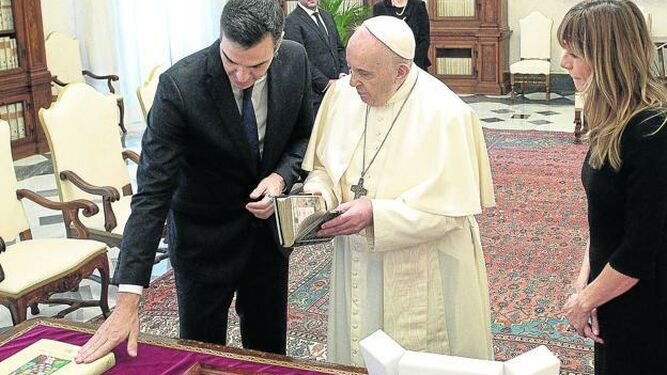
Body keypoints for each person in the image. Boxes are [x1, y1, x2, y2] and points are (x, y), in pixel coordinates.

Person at [75, 0, 313, 363]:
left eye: (256, 66)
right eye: (231, 62)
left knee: (268, 356)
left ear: (277, 45)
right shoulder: (180, 87)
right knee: (200, 356)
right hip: (203, 243)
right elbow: (153, 194)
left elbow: (303, 138)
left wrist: (281, 177)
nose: (242, 76)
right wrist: (128, 297)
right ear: (220, 38)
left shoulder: (295, 60)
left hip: (266, 241)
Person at [302, 15, 495, 365]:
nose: (353, 82)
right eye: (351, 68)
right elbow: (322, 169)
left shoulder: (446, 114)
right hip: (355, 258)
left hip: (419, 270)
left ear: (401, 72)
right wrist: (320, 197)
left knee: (415, 359)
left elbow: (449, 215)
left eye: (366, 74)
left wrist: (375, 213)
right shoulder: (343, 97)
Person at [559, 1, 667, 374]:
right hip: (612, 289)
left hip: (644, 302)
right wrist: (587, 277)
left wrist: (584, 300)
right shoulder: (611, 119)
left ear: (606, 58)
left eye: (574, 53)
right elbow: (606, 216)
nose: (563, 62)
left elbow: (639, 249)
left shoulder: (650, 131)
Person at [284, 0, 348, 115]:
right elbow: (300, 61)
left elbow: (338, 47)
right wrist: (326, 83)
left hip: (339, 91)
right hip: (315, 97)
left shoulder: (327, 16)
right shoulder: (291, 22)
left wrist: (343, 73)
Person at [372, 0, 431, 71]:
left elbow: (424, 39)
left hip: (416, 63)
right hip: (388, 64)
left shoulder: (419, 6)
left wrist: (413, 64)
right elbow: (378, 37)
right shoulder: (379, 7)